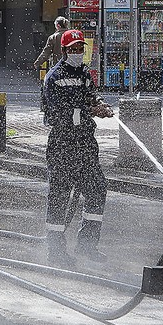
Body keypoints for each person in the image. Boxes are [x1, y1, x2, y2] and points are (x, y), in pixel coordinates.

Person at [42, 29, 114, 265]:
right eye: (72, 49)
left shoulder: (84, 74)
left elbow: (89, 95)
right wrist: (88, 112)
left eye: (80, 48)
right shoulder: (53, 77)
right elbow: (56, 114)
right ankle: (55, 251)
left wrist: (99, 103)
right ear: (63, 50)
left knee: (96, 189)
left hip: (85, 144)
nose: (76, 52)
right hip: (63, 144)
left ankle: (87, 245)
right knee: (60, 196)